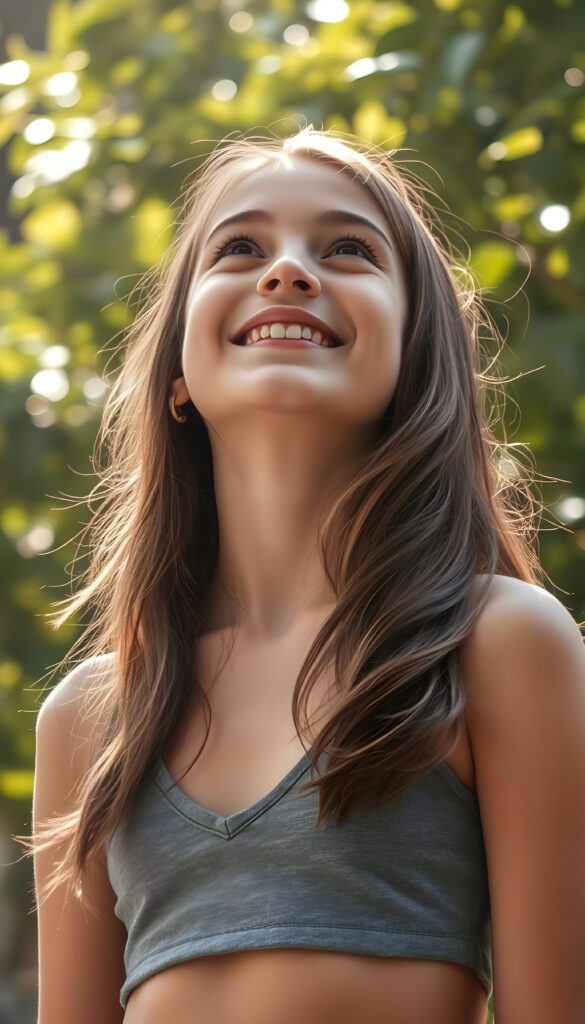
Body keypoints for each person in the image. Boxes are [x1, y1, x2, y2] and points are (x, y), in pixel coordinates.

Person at [27, 125, 585, 1024]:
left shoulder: (493, 642)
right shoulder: (93, 718)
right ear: (175, 369)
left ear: (414, 354)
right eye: (240, 247)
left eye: (348, 250)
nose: (287, 272)